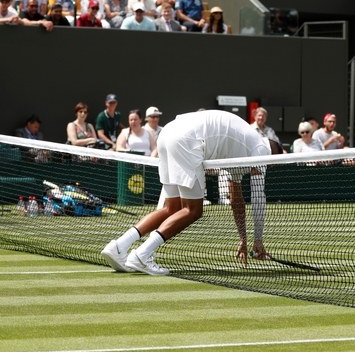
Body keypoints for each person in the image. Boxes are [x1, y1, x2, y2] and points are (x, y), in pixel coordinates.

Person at [100, 110, 271, 275]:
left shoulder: (243, 147)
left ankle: (118, 246)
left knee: (171, 208)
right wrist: (258, 240)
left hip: (168, 133)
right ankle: (142, 255)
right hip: (187, 141)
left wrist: (244, 238)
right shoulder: (262, 150)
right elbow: (257, 197)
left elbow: (236, 199)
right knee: (193, 210)